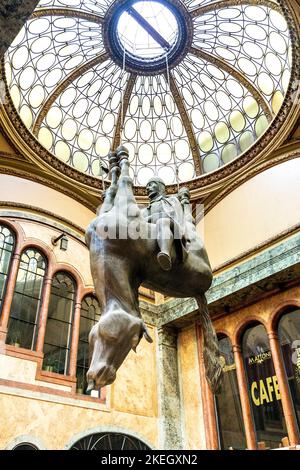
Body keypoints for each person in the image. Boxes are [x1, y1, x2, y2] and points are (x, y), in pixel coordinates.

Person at [142, 176, 188, 271]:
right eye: (147, 187)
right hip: (153, 231)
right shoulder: (144, 210)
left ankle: (165, 253)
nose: (147, 188)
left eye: (151, 185)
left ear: (160, 187)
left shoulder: (171, 201)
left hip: (171, 226)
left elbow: (178, 216)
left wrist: (153, 218)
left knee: (162, 221)